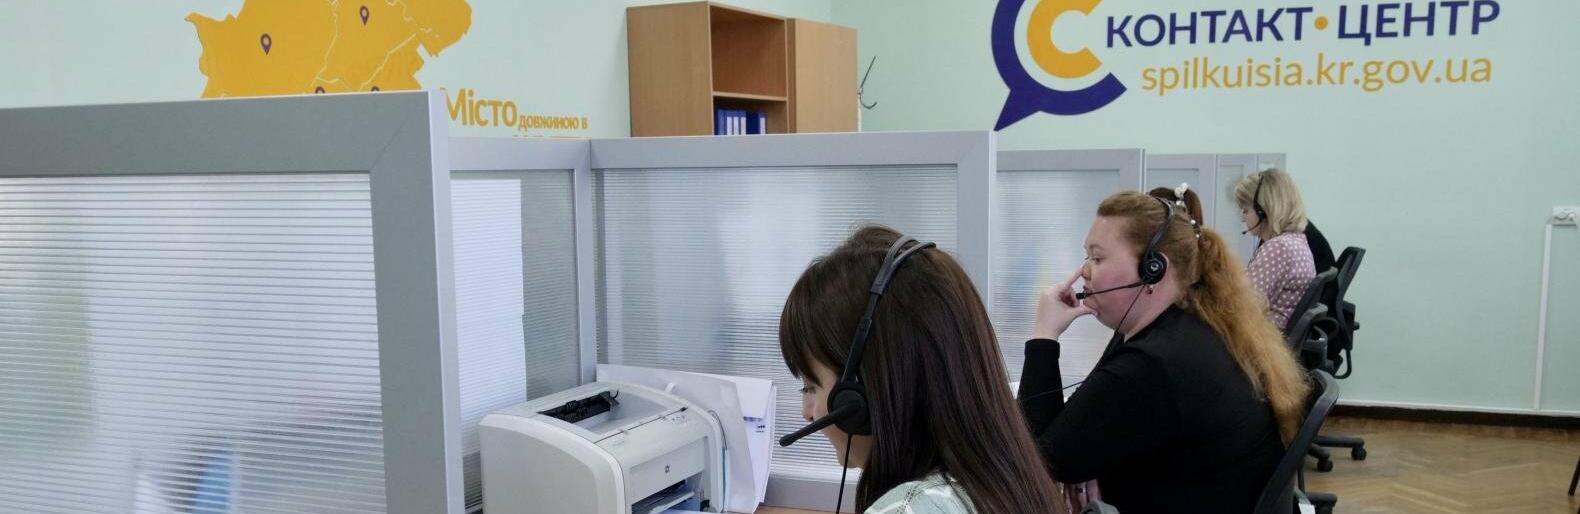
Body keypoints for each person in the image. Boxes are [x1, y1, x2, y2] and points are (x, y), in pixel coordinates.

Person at [1018, 187, 1310, 514]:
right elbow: (1080, 425)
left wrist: (1043, 336)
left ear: (1153, 269)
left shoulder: (1155, 363)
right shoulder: (1194, 325)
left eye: (1097, 258)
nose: (1084, 270)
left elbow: (1040, 458)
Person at [779, 225, 1066, 513]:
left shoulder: (907, 508)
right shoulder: (1008, 476)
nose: (807, 412)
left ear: (857, 396)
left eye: (810, 386)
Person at [1235, 169, 1318, 330]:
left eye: (1245, 210)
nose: (1242, 219)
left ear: (1264, 210)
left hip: (1262, 338)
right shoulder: (1297, 240)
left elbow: (1241, 306)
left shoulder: (1278, 249)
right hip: (1273, 337)